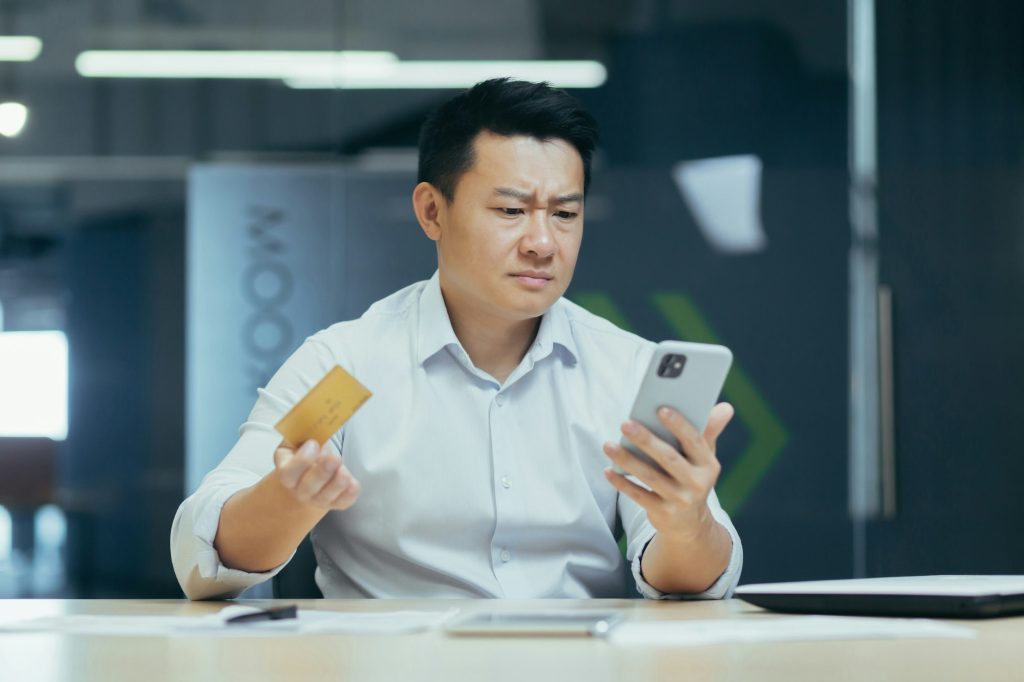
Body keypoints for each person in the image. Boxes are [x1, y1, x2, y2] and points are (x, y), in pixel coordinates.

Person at [171, 78, 742, 600]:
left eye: (565, 214)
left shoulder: (627, 367)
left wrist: (684, 522)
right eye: (511, 210)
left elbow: (693, 584)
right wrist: (287, 499)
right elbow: (199, 560)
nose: (542, 242)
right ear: (431, 211)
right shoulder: (346, 365)